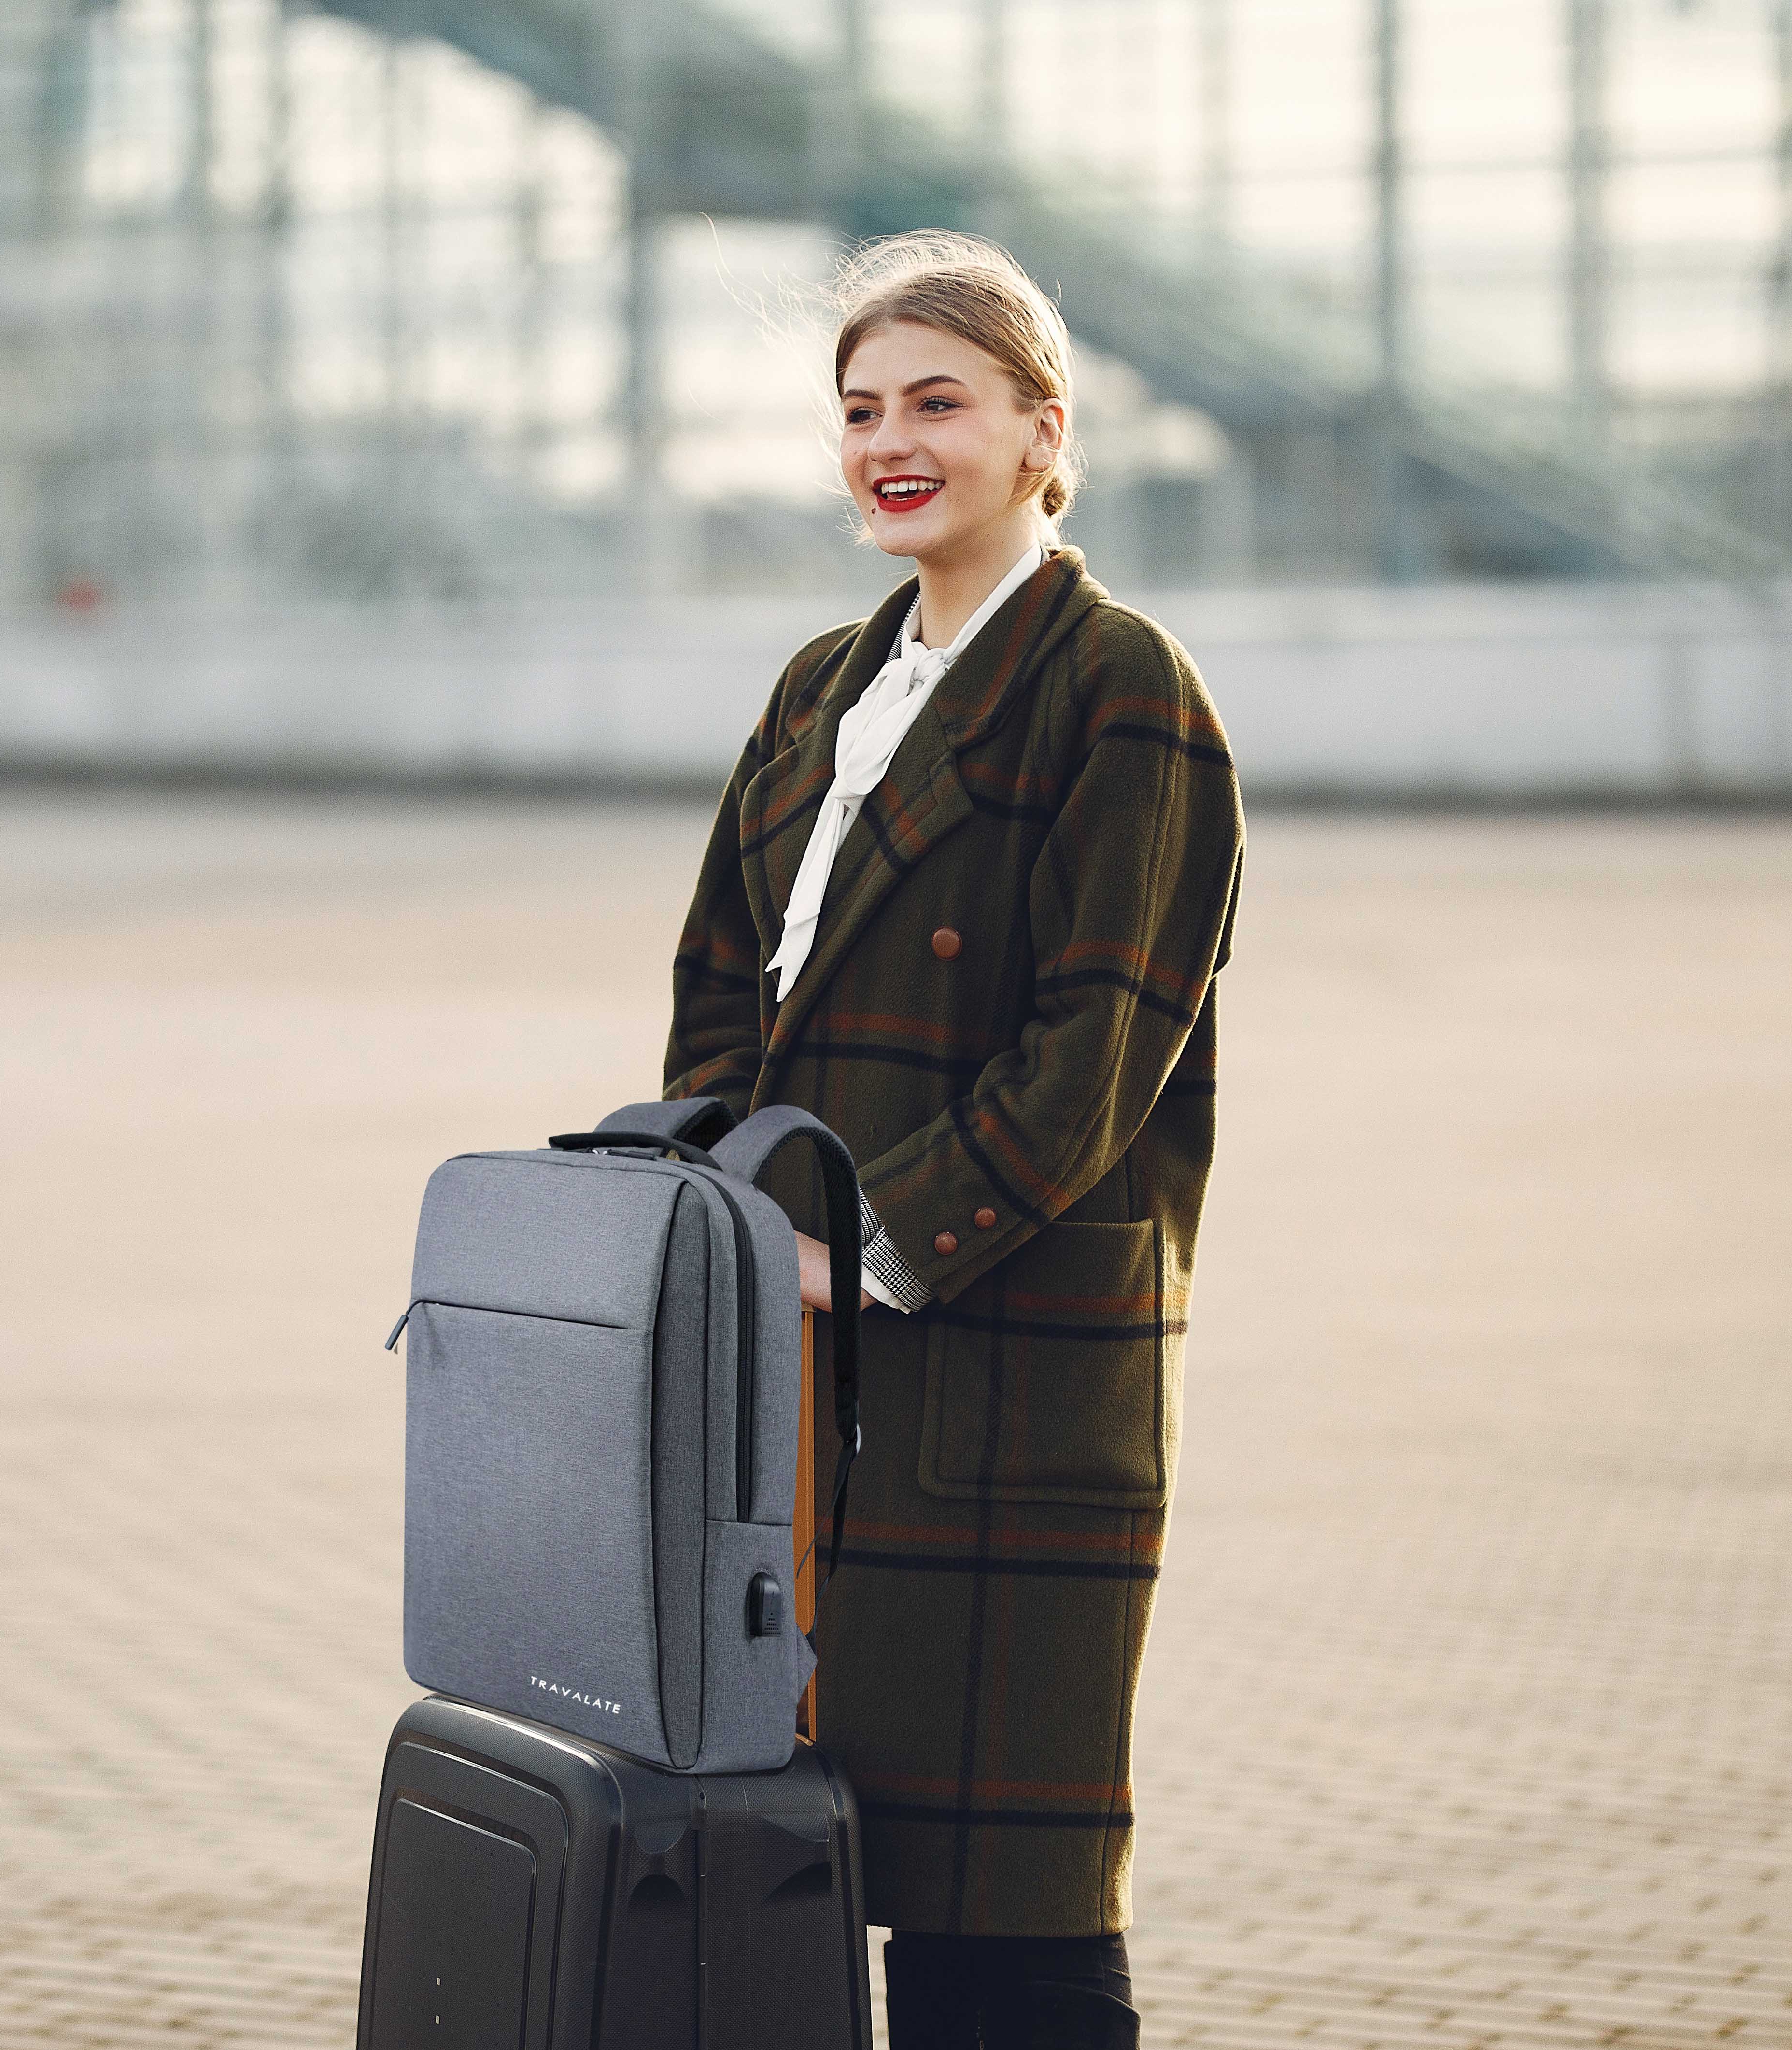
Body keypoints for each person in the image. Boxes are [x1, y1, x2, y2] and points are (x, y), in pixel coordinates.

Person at [661, 231, 1244, 2049]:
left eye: (938, 401)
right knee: (814, 1863)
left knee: (1008, 1897)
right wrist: (701, 1219)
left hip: (1000, 1354)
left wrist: (870, 1243)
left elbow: (1102, 1051)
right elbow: (717, 991)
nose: (888, 442)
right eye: (858, 412)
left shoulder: (1121, 685)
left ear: (1038, 427)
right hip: (801, 1365)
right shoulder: (823, 685)